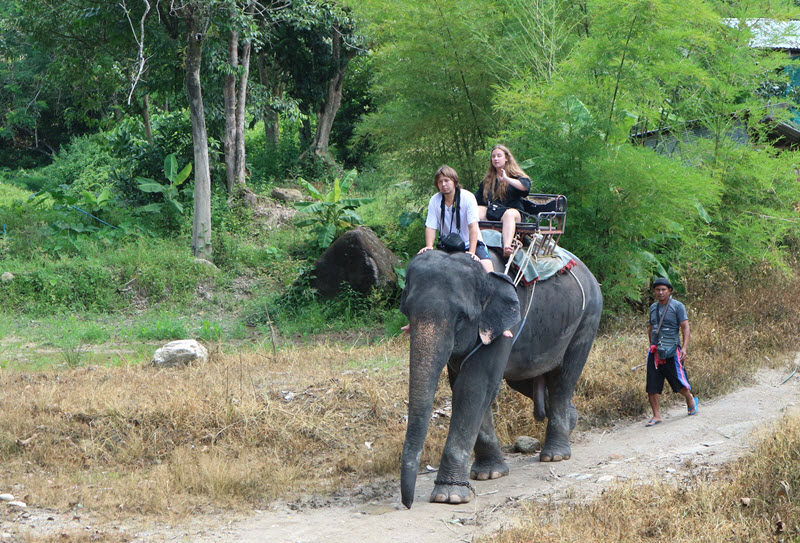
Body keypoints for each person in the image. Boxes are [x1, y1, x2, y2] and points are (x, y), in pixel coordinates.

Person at [419, 165, 493, 274]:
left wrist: (472, 252)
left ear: (454, 181)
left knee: (488, 271)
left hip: (469, 243)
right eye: (440, 182)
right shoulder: (434, 200)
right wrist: (429, 246)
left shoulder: (468, 197)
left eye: (446, 180)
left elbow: (473, 227)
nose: (443, 184)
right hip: (447, 245)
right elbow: (430, 227)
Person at [645, 277, 697, 426]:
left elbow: (685, 327)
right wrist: (651, 345)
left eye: (663, 290)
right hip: (655, 351)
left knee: (677, 382)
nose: (660, 292)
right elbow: (652, 327)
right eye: (657, 290)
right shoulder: (653, 308)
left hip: (672, 349)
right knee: (652, 384)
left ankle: (689, 398)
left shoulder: (677, 306)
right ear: (654, 291)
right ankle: (656, 415)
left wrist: (684, 348)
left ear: (669, 291)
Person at [475, 144, 532, 257]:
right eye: (493, 156)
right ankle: (471, 240)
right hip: (493, 212)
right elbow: (477, 198)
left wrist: (506, 179)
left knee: (509, 214)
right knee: (476, 210)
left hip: (513, 213)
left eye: (499, 156)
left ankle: (507, 246)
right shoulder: (488, 179)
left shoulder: (516, 175)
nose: (495, 159)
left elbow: (525, 187)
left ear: (506, 158)